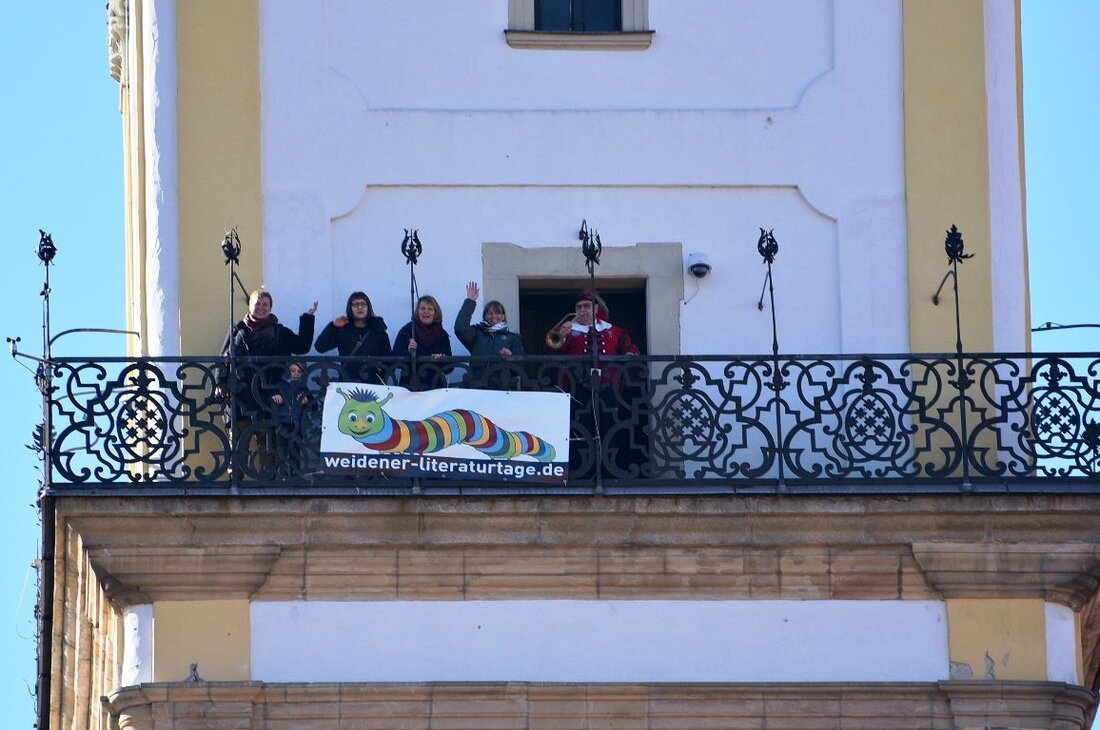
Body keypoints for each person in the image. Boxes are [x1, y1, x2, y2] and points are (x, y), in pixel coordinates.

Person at [217, 288, 317, 476]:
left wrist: (307, 318)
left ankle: (267, 482)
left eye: (265, 304)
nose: (261, 307)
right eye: (257, 303)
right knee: (238, 443)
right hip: (241, 397)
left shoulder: (279, 332)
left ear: (270, 308)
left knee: (268, 444)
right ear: (250, 306)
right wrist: (220, 383)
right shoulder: (238, 329)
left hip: (270, 397)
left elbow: (302, 346)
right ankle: (235, 483)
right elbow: (224, 358)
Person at [548, 288, 641, 478]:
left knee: (609, 429)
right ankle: (580, 473)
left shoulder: (612, 330)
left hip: (608, 390)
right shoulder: (567, 330)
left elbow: (629, 348)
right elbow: (551, 352)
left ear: (596, 309)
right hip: (576, 390)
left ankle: (609, 472)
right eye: (579, 307)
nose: (583, 310)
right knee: (578, 430)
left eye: (587, 306)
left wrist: (630, 354)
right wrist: (563, 335)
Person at [454, 281, 525, 389]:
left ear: (503, 316)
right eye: (490, 313)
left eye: (497, 313)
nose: (494, 316)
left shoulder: (513, 337)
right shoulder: (477, 333)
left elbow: (521, 368)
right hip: (476, 387)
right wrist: (470, 301)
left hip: (503, 390)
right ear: (485, 316)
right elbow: (460, 328)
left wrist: (511, 356)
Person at [314, 291, 392, 383]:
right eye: (355, 304)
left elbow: (388, 359)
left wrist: (381, 371)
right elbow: (320, 347)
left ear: (368, 307)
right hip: (347, 383)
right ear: (350, 308)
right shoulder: (343, 330)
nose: (360, 307)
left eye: (363, 304)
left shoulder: (378, 330)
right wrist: (333, 327)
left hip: (372, 383)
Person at [392, 294, 453, 390]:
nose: (426, 311)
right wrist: (408, 352)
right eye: (422, 308)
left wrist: (441, 359)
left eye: (430, 309)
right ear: (417, 311)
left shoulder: (441, 334)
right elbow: (394, 358)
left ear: (435, 312)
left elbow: (449, 368)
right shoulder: (407, 330)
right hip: (409, 386)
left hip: (435, 388)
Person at [270, 361, 312, 476]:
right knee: (280, 450)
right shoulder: (281, 385)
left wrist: (307, 400)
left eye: (299, 371)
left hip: (297, 424)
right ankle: (280, 474)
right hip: (282, 423)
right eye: (293, 371)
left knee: (295, 451)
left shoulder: (303, 388)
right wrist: (275, 396)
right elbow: (270, 398)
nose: (296, 374)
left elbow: (314, 405)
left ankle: (295, 474)